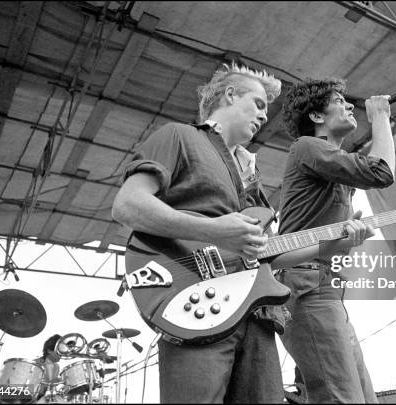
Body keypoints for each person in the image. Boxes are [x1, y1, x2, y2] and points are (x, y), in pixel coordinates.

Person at [113, 62, 319, 403]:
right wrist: (213, 230)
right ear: (230, 94)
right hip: (196, 305)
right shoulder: (179, 135)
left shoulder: (249, 175)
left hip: (257, 313)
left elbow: (264, 249)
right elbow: (127, 206)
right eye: (258, 104)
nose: (264, 116)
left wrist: (331, 245)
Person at [274, 77, 395, 403]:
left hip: (324, 286)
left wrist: (347, 238)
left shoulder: (334, 170)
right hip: (304, 287)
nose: (349, 105)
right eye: (339, 101)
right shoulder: (307, 147)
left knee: (365, 397)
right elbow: (382, 173)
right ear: (315, 116)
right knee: (342, 398)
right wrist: (381, 118)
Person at [34, 334, 62, 402]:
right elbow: (30, 388)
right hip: (32, 398)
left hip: (45, 398)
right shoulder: (36, 365)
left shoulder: (56, 367)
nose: (61, 354)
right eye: (58, 351)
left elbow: (50, 389)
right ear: (49, 351)